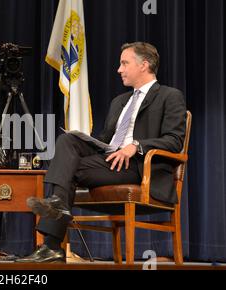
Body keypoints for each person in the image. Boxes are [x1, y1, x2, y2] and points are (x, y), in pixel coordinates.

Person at [17, 42, 187, 263]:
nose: (119, 69)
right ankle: (54, 230)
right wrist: (86, 139)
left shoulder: (169, 96)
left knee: (66, 170)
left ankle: (51, 244)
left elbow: (174, 141)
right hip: (109, 161)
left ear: (144, 65)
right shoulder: (119, 102)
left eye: (124, 63)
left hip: (139, 167)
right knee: (68, 140)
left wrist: (136, 145)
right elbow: (106, 141)